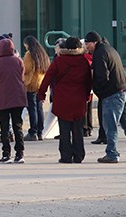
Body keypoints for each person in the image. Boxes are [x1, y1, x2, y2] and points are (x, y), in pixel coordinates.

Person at [84, 31, 126, 163]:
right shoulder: (110, 49)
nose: (86, 46)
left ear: (94, 42)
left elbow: (102, 76)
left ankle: (112, 153)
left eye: (87, 43)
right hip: (123, 89)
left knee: (111, 125)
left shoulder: (99, 53)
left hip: (112, 93)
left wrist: (99, 91)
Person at [38, 36, 92, 164]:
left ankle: (66, 156)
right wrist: (87, 95)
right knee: (78, 129)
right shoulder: (83, 61)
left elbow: (48, 77)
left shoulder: (59, 61)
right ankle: (78, 155)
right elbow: (88, 81)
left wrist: (41, 94)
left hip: (62, 99)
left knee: (64, 129)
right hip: (78, 99)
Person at [0, 37, 27, 164]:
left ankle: (6, 154)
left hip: (3, 99)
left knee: (4, 127)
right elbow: (22, 75)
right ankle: (20, 154)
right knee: (17, 126)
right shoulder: (19, 61)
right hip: (18, 98)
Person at [22, 36, 50, 142]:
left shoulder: (30, 55)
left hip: (31, 84)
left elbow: (26, 69)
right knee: (39, 108)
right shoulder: (43, 54)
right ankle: (40, 132)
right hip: (40, 84)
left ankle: (33, 132)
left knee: (32, 108)